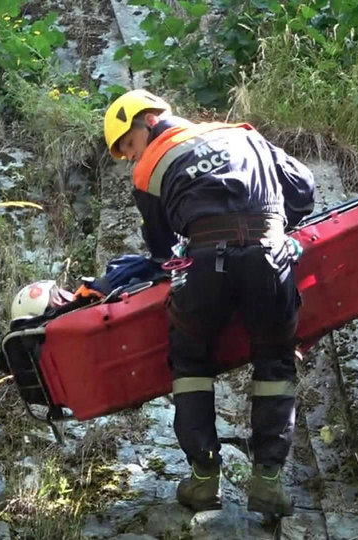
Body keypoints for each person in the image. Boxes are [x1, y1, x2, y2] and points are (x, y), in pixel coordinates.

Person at [103, 89, 315, 516]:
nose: (130, 157)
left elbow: (163, 252)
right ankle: (268, 482)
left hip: (203, 266)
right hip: (270, 255)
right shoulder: (242, 134)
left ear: (146, 121)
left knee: (190, 362)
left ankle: (204, 480)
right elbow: (304, 189)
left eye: (128, 146)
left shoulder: (150, 170)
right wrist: (271, 232)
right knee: (275, 361)